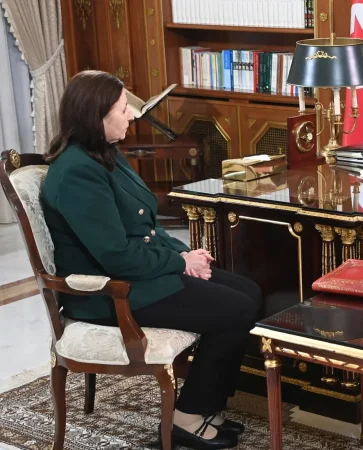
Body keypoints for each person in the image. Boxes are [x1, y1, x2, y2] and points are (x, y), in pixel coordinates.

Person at [41, 70, 262, 450]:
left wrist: (182, 253)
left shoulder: (105, 153)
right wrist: (180, 264)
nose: (131, 115)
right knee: (236, 309)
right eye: (122, 109)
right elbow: (116, 255)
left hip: (135, 274)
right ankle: (186, 417)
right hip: (108, 293)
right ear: (96, 115)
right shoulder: (76, 172)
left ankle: (208, 403)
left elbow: (143, 225)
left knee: (250, 291)